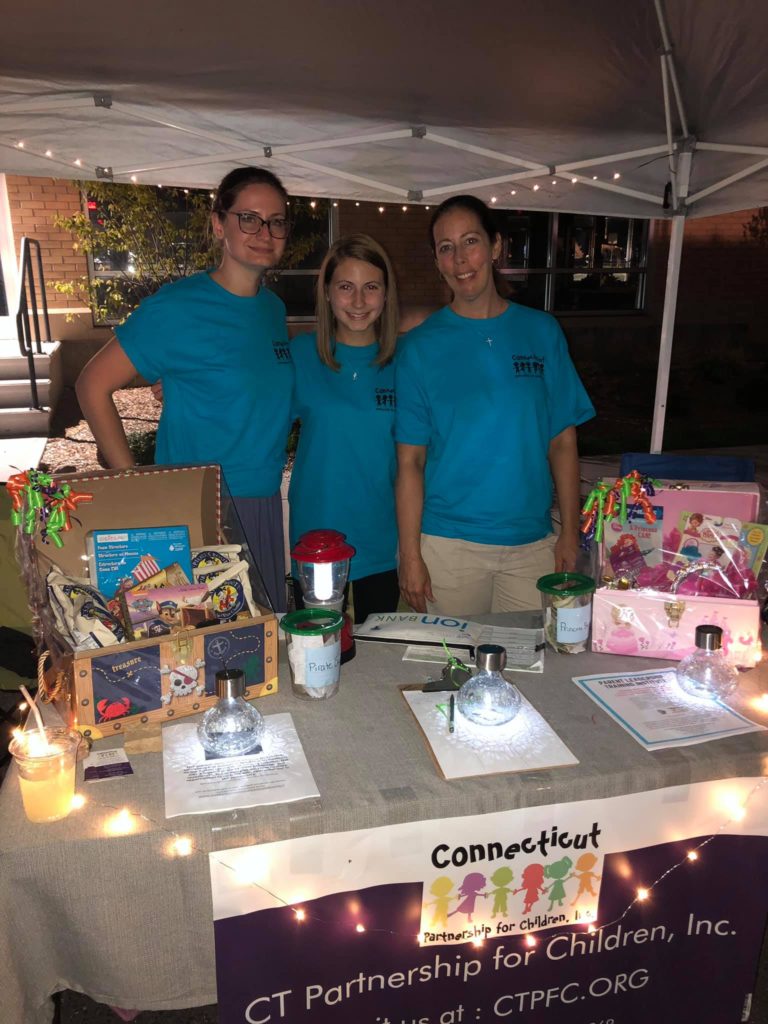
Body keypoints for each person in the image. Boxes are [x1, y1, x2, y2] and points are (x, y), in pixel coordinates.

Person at [76, 167, 294, 611]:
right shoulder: (177, 307)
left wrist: (176, 380)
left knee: (260, 640)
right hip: (200, 508)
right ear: (219, 224)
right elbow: (92, 384)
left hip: (264, 502)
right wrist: (133, 482)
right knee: (204, 641)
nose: (264, 232)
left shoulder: (273, 309)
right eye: (249, 218)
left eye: (276, 221)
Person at [395, 194, 595, 616]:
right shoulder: (419, 348)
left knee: (532, 656)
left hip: (531, 546)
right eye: (446, 247)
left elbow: (562, 441)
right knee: (447, 659)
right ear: (436, 260)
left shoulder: (541, 332)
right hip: (448, 548)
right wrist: (411, 555)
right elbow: (410, 461)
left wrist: (569, 533)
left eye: (470, 241)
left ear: (496, 246)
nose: (460, 259)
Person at [289, 235, 400, 623]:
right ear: (327, 292)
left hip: (382, 534)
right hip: (316, 535)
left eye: (371, 287)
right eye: (345, 287)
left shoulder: (406, 361)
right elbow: (249, 403)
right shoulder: (301, 355)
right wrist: (185, 385)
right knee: (318, 644)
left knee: (378, 648)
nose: (358, 301)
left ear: (386, 294)